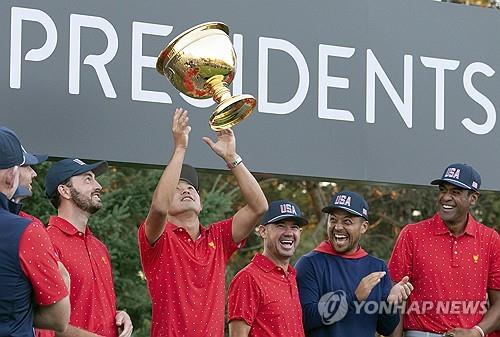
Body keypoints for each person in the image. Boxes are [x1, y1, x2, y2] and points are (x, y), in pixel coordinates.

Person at [137, 108, 268, 337]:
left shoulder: (218, 237)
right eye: (177, 189)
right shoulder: (159, 237)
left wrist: (232, 158)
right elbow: (158, 207)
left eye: (190, 188)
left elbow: (260, 207)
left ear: (201, 204)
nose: (186, 191)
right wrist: (180, 148)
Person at [388, 163, 500, 337]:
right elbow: (396, 298)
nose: (446, 197)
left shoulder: (490, 239)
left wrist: (476, 332)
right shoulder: (412, 234)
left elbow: (498, 303)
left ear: (473, 198)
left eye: (455, 192)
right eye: (442, 190)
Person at [295, 191, 413, 337]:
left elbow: (385, 328)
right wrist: (353, 298)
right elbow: (304, 318)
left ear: (363, 227)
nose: (337, 227)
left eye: (347, 222)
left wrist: (390, 303)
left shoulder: (377, 267)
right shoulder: (309, 263)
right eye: (333, 220)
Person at [45, 158, 133, 337]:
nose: (98, 185)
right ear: (65, 191)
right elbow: (44, 321)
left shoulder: (99, 247)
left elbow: (91, 305)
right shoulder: (46, 242)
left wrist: (118, 316)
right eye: (88, 179)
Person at [0, 126, 70, 336]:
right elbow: (59, 318)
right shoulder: (26, 231)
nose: (34, 173)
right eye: (25, 166)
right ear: (11, 176)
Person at [228, 200, 308, 337]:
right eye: (280, 226)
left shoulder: (291, 276)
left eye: (294, 227)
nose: (289, 233)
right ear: (263, 231)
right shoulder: (247, 278)